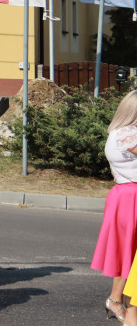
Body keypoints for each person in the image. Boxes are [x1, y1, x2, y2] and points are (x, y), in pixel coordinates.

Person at [92, 91, 137, 322]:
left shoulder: (117, 133)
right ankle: (122, 303)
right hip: (131, 195)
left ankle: (116, 299)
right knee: (130, 252)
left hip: (125, 194)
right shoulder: (129, 133)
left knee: (128, 252)